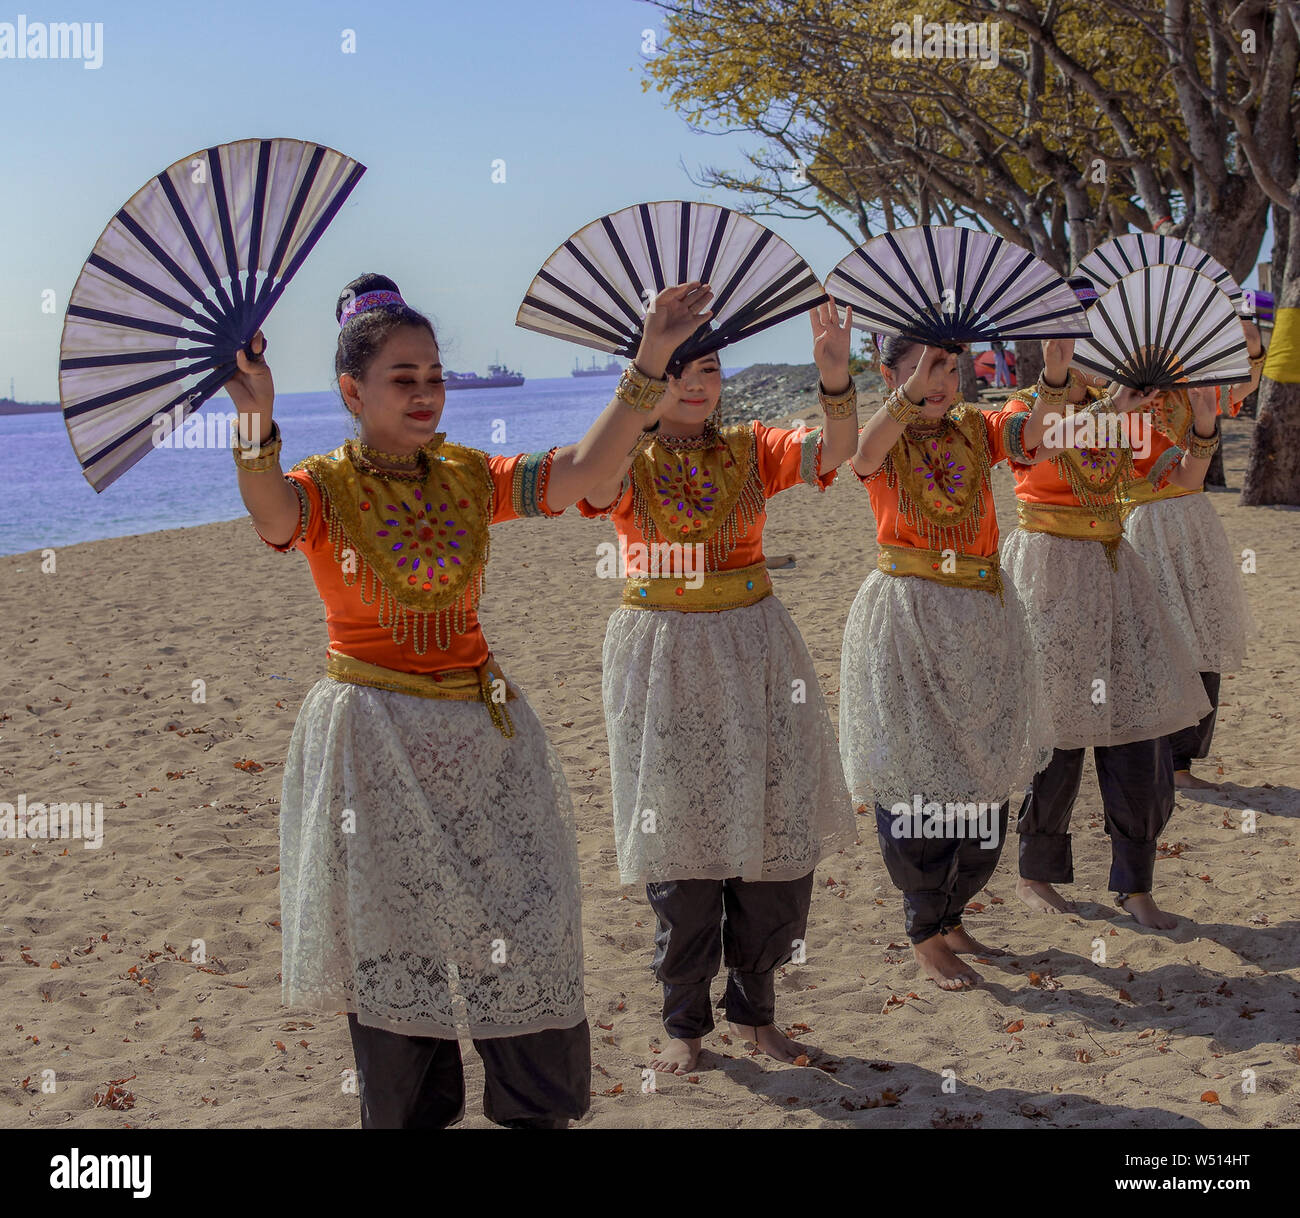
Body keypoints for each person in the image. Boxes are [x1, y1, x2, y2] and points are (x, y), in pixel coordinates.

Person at [223, 271, 714, 1127]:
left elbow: (586, 472)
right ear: (352, 389)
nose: (424, 394)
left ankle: (533, 1110)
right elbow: (270, 514)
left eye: (434, 376)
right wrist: (254, 417)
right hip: (371, 747)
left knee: (530, 930)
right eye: (402, 379)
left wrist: (650, 359)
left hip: (485, 740)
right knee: (396, 953)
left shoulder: (468, 475)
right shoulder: (323, 489)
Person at [575, 302, 860, 1074]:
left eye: (707, 369)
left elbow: (839, 450)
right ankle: (684, 1023)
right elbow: (586, 484)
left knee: (773, 830)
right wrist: (640, 379)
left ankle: (759, 1010)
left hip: (757, 647)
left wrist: (836, 373)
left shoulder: (753, 448)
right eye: (674, 372)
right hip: (662, 657)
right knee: (681, 841)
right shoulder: (623, 461)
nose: (695, 387)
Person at [839, 334, 1051, 990]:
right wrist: (907, 397)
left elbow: (1033, 434)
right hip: (911, 622)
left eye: (950, 369)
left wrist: (1059, 373)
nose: (941, 381)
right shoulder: (886, 436)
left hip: (985, 616)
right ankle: (924, 929)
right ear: (890, 374)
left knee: (985, 775)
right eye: (924, 369)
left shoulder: (974, 428)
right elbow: (860, 454)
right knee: (918, 775)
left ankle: (953, 912)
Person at [1002, 334, 1212, 931]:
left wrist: (1200, 427)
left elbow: (1182, 480)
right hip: (1048, 573)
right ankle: (1035, 873)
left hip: (1116, 571)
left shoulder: (1126, 416)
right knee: (1058, 733)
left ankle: (1136, 883)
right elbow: (1034, 451)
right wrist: (1111, 409)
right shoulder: (1027, 408)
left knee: (1137, 733)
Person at [1120, 320, 1265, 788]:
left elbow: (1248, 383)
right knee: (1158, 637)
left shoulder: (1189, 388)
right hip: (1141, 522)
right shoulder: (1116, 401)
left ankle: (1182, 762)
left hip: (1193, 522)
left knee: (1204, 630)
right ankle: (1157, 757)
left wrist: (1254, 343)